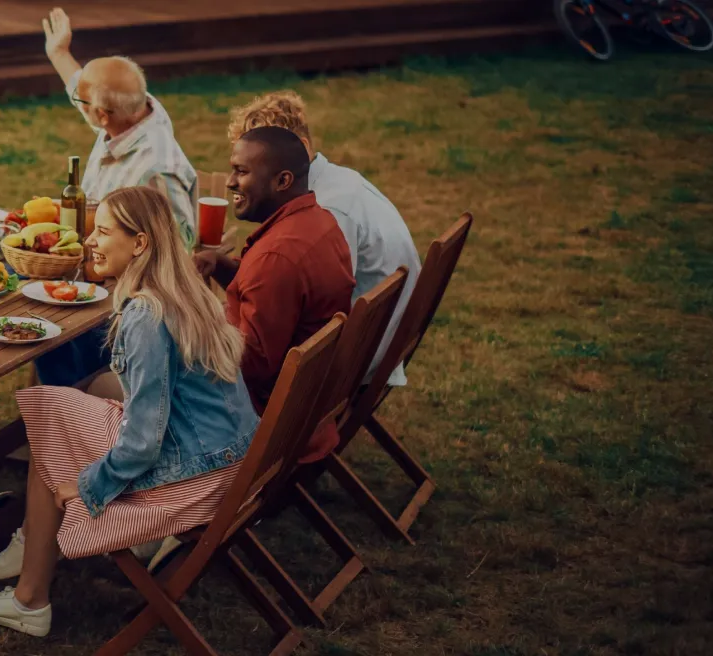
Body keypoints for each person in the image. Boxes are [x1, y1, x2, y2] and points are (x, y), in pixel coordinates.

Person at [0, 186, 260, 637]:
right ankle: (36, 541)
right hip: (230, 460)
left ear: (140, 244)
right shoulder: (183, 291)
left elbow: (143, 442)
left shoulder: (146, 317)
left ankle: (30, 597)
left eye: (102, 232)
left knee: (50, 428)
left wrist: (87, 485)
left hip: (195, 480)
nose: (89, 241)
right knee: (60, 408)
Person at [34, 7, 200, 387]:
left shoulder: (155, 170)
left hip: (128, 306)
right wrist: (59, 54)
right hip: (94, 272)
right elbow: (90, 91)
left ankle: (74, 410)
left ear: (103, 116)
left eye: (82, 105)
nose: (79, 106)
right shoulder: (135, 110)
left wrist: (108, 274)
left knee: (44, 328)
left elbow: (179, 250)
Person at [225, 91, 422, 386]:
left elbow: (287, 323)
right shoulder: (332, 184)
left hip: (355, 357)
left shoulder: (328, 212)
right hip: (379, 332)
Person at [195, 126, 354, 459]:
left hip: (254, 420)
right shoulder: (319, 223)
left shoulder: (276, 258)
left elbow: (249, 364)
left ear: (282, 181)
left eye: (242, 171)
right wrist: (223, 266)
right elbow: (274, 293)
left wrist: (183, 325)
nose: (229, 182)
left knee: (102, 383)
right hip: (306, 409)